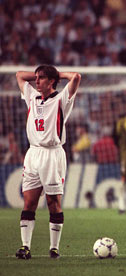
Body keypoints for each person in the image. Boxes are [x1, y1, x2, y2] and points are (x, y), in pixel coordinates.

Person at [15, 65, 81, 259]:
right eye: (36, 78)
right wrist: (43, 73)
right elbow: (19, 75)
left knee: (53, 202)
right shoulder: (32, 96)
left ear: (52, 81)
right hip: (33, 153)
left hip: (53, 155)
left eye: (41, 78)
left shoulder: (61, 100)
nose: (36, 81)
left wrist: (57, 75)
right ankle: (25, 246)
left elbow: (76, 77)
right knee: (29, 202)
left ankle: (54, 248)